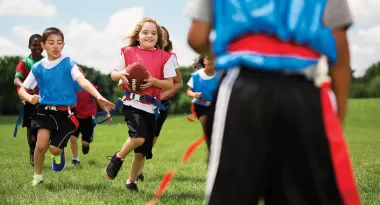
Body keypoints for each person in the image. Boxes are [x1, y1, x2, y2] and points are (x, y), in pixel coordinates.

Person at [184, 0, 361, 205]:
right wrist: (338, 115)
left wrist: (234, 47)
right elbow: (339, 45)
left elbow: (197, 37)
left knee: (231, 195)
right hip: (304, 91)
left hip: (243, 88)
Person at [18, 27, 115, 186]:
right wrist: (29, 97)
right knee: (40, 145)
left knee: (54, 149)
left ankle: (58, 153)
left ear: (63, 45)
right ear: (43, 45)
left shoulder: (69, 63)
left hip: (66, 114)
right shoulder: (38, 67)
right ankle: (38, 177)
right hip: (44, 111)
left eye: (59, 43)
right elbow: (23, 89)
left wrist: (98, 96)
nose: (56, 46)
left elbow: (82, 81)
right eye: (51, 43)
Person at [105, 17, 176, 192]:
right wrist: (121, 74)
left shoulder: (165, 57)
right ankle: (118, 157)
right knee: (138, 138)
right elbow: (113, 74)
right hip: (132, 103)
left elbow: (169, 84)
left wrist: (153, 81)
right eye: (145, 32)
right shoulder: (128, 52)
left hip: (150, 108)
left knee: (142, 151)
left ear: (159, 37)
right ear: (138, 36)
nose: (149, 35)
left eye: (153, 33)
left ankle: (131, 182)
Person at [136, 26, 184, 182]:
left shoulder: (170, 57)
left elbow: (178, 83)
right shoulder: (144, 54)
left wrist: (161, 96)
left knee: (152, 137)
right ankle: (139, 171)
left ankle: (141, 163)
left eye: (162, 35)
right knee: (142, 137)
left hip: (161, 105)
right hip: (143, 104)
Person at [70, 65, 112, 165]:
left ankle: (86, 144)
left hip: (88, 118)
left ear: (84, 74)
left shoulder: (90, 86)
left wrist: (107, 112)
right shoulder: (70, 87)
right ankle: (75, 159)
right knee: (72, 138)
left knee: (85, 143)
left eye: (80, 72)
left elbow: (99, 100)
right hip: (74, 116)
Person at [14, 34, 44, 167]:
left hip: (45, 101)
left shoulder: (47, 62)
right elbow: (16, 79)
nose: (37, 47)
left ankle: (40, 151)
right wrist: (24, 88)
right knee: (32, 127)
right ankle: (33, 151)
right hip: (29, 101)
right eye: (34, 45)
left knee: (43, 128)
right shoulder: (24, 62)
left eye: (39, 45)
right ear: (29, 46)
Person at [186, 55, 217, 150]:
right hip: (200, 106)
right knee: (207, 128)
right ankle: (211, 153)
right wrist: (194, 94)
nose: (211, 61)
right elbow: (188, 91)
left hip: (215, 106)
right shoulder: (196, 76)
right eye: (209, 59)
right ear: (204, 61)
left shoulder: (220, 75)